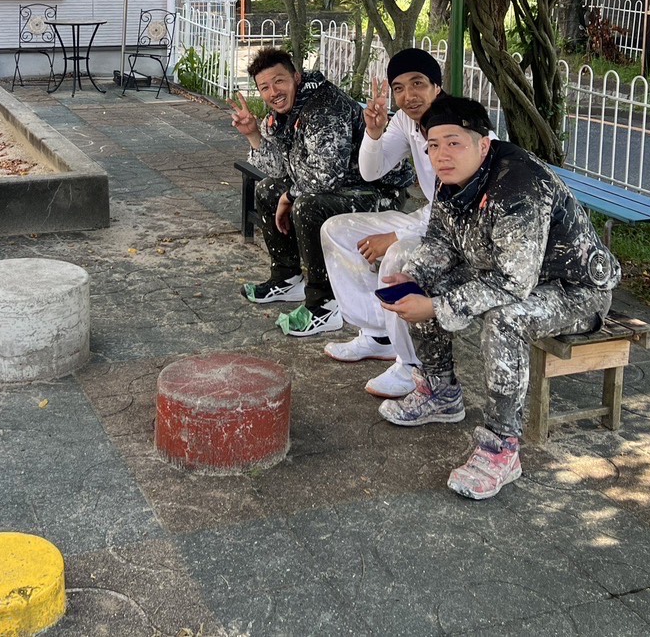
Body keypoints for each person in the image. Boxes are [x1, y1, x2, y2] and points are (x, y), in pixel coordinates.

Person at [377, 93, 620, 500]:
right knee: (423, 284)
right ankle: (441, 391)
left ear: (483, 144)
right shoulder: (451, 175)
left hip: (576, 291)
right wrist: (412, 277)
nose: (441, 155)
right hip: (507, 271)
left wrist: (436, 307)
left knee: (506, 319)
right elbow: (441, 242)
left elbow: (512, 285)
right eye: (433, 145)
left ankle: (501, 447)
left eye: (454, 143)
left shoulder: (519, 185)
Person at [230, 47, 383, 337]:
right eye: (265, 87)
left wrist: (289, 196)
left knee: (306, 205)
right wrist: (253, 135)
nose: (273, 92)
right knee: (267, 190)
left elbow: (328, 175)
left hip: (373, 191)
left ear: (296, 78)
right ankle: (287, 278)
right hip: (338, 187)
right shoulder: (285, 114)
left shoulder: (324, 107)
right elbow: (279, 170)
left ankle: (325, 304)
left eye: (279, 81)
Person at [319, 48, 445, 399]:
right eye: (399, 88)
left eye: (418, 84)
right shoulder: (406, 120)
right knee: (337, 231)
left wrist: (395, 235)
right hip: (429, 219)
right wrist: (374, 133)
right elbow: (371, 171)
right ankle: (377, 334)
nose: (409, 96)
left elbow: (456, 207)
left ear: (437, 86)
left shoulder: (456, 124)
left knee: (397, 256)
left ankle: (411, 365)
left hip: (458, 231)